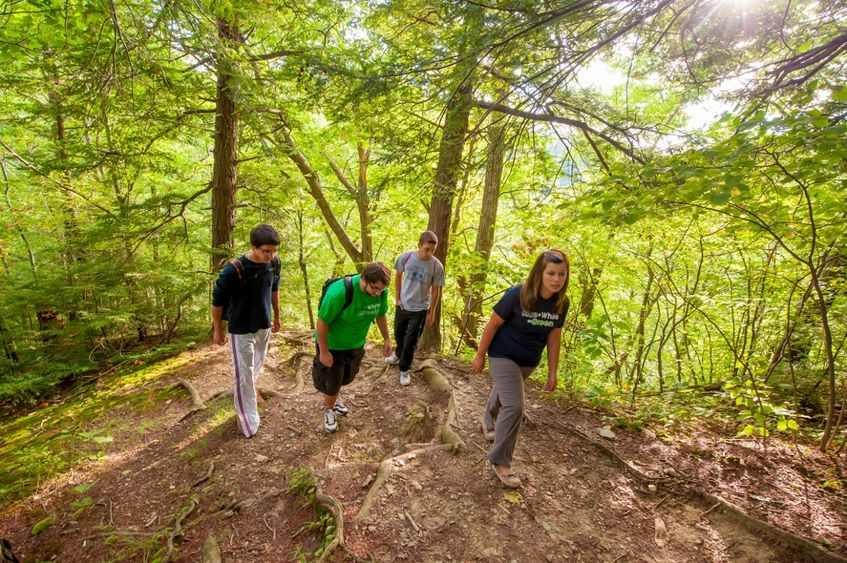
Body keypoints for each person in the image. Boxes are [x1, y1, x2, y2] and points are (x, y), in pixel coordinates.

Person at [472, 249, 570, 488]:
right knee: (515, 406)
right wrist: (480, 354)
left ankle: (488, 421)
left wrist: (552, 371)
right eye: (551, 273)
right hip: (502, 354)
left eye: (562, 274)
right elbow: (493, 324)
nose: (556, 279)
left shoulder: (561, 302)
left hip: (529, 360)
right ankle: (500, 461)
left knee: (506, 391)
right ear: (540, 272)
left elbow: (554, 337)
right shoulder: (519, 294)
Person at [211, 224, 281, 439]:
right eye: (266, 251)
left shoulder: (274, 264)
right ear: (254, 247)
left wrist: (277, 316)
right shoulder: (234, 270)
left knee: (256, 367)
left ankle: (249, 394)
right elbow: (217, 302)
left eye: (274, 251)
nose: (270, 255)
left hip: (263, 325)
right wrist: (218, 330)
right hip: (240, 329)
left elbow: (274, 290)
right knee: (243, 374)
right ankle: (247, 420)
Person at [314, 262, 392, 433]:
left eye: (381, 289)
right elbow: (322, 322)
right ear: (364, 279)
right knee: (331, 382)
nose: (378, 293)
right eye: (375, 288)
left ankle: (333, 397)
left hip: (356, 344)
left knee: (346, 378)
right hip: (333, 345)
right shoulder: (340, 292)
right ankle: (329, 409)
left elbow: (380, 314)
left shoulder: (381, 292)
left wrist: (387, 338)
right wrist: (324, 351)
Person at [386, 230, 445, 386]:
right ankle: (398, 353)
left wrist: (431, 313)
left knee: (411, 340)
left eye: (433, 250)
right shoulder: (406, 258)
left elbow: (436, 290)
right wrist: (397, 298)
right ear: (419, 245)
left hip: (420, 310)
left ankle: (404, 369)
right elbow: (398, 276)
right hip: (403, 305)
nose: (429, 253)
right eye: (427, 249)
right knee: (399, 334)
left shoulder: (436, 266)